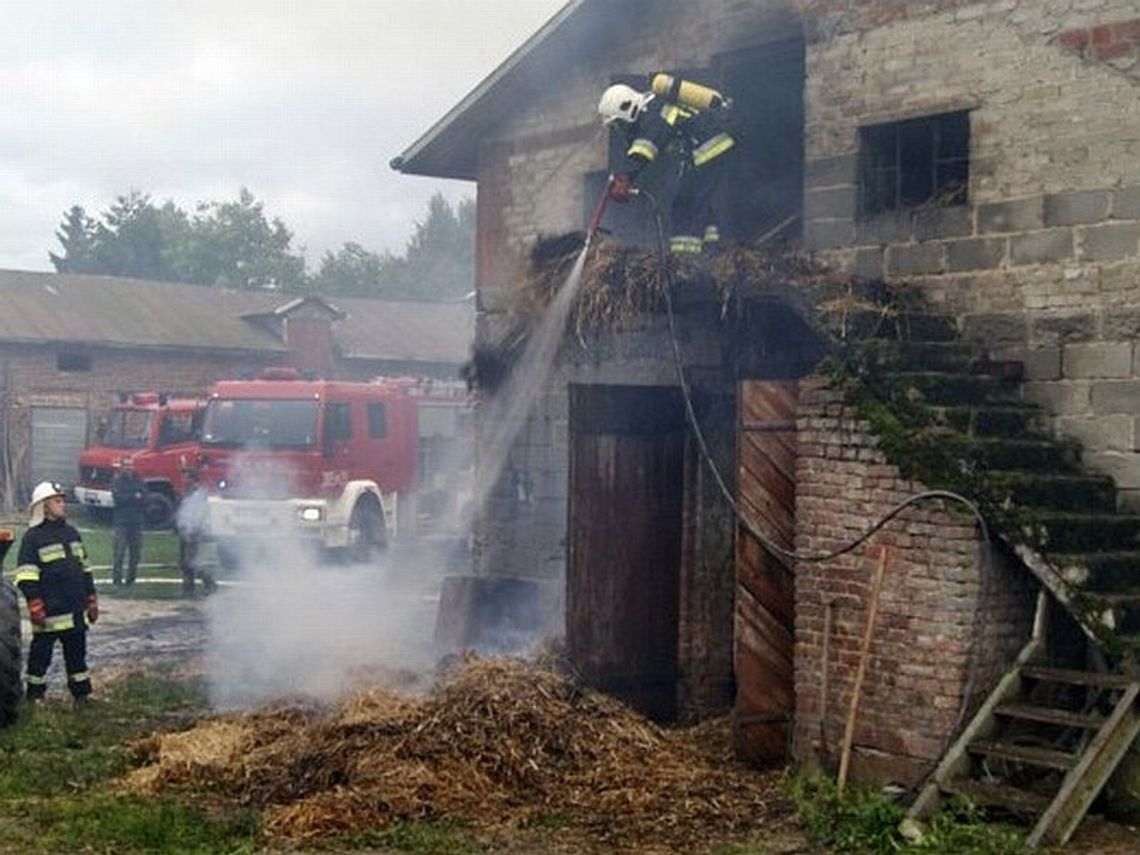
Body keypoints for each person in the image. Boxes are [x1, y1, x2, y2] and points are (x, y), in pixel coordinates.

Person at [597, 73, 737, 258]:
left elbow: (645, 147)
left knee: (685, 204)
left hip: (707, 149)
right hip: (707, 148)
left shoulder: (653, 112)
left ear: (628, 108)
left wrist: (625, 176)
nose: (620, 128)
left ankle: (684, 259)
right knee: (698, 201)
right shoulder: (653, 110)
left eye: (619, 123)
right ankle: (711, 247)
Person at [14, 481, 98, 706]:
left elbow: (85, 569)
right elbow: (26, 574)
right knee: (40, 657)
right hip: (50, 612)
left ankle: (81, 696)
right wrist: (34, 603)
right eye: (57, 501)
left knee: (77, 657)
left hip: (75, 610)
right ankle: (35, 696)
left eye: (62, 501)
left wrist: (91, 598)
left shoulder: (72, 533)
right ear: (44, 506)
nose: (63, 505)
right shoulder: (33, 538)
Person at [175, 467, 216, 597]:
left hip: (194, 532)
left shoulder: (198, 494)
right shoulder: (186, 492)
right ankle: (188, 588)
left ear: (193, 479)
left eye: (186, 477)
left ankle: (209, 582)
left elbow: (197, 514)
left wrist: (191, 529)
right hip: (184, 531)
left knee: (192, 562)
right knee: (184, 562)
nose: (184, 480)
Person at [110, 456, 146, 585]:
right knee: (119, 553)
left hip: (137, 522)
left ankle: (131, 580)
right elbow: (118, 498)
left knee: (135, 554)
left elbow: (145, 497)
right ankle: (117, 580)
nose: (129, 468)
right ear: (121, 467)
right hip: (121, 522)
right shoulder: (116, 481)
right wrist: (134, 496)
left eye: (130, 465)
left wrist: (134, 497)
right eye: (126, 465)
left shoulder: (139, 479)